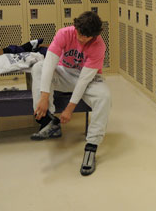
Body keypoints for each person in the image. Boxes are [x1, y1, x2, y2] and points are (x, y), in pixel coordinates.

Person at [31, 11, 111, 176]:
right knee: (38, 67)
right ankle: (49, 122)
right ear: (75, 27)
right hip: (64, 73)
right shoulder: (64, 34)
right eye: (80, 34)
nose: (81, 39)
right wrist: (44, 96)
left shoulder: (98, 46)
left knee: (104, 97)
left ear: (94, 36)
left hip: (88, 79)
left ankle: (91, 147)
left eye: (86, 37)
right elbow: (49, 64)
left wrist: (69, 108)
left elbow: (83, 80)